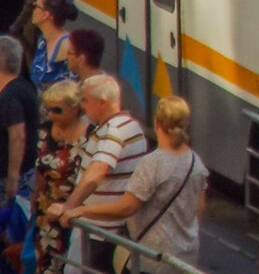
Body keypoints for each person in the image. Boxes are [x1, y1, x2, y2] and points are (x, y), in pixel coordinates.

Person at [63, 95, 206, 274]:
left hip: (150, 258)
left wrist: (82, 210)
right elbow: (199, 208)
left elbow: (127, 208)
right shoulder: (195, 161)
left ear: (157, 122)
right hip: (184, 258)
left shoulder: (152, 163)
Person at [53, 75, 147, 271]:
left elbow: (98, 170)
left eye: (85, 100)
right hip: (110, 231)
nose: (82, 106)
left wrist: (69, 207)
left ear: (103, 102)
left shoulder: (113, 131)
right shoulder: (132, 127)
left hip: (97, 233)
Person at [31, 80, 88, 274]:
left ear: (75, 108)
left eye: (57, 110)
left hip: (72, 214)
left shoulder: (90, 136)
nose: (51, 115)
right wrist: (33, 205)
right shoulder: (44, 131)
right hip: (46, 214)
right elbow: (39, 171)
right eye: (49, 109)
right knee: (44, 266)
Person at [0, 40, 36, 266]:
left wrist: (12, 177)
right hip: (25, 175)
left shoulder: (9, 96)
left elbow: (18, 135)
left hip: (9, 180)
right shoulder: (25, 86)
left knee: (9, 234)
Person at [63, 31, 138, 121]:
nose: (66, 57)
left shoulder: (98, 91)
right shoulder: (82, 85)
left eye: (69, 53)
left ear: (81, 59)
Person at [26, 0, 76, 92]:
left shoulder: (66, 45)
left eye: (35, 6)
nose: (32, 10)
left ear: (45, 14)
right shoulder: (42, 40)